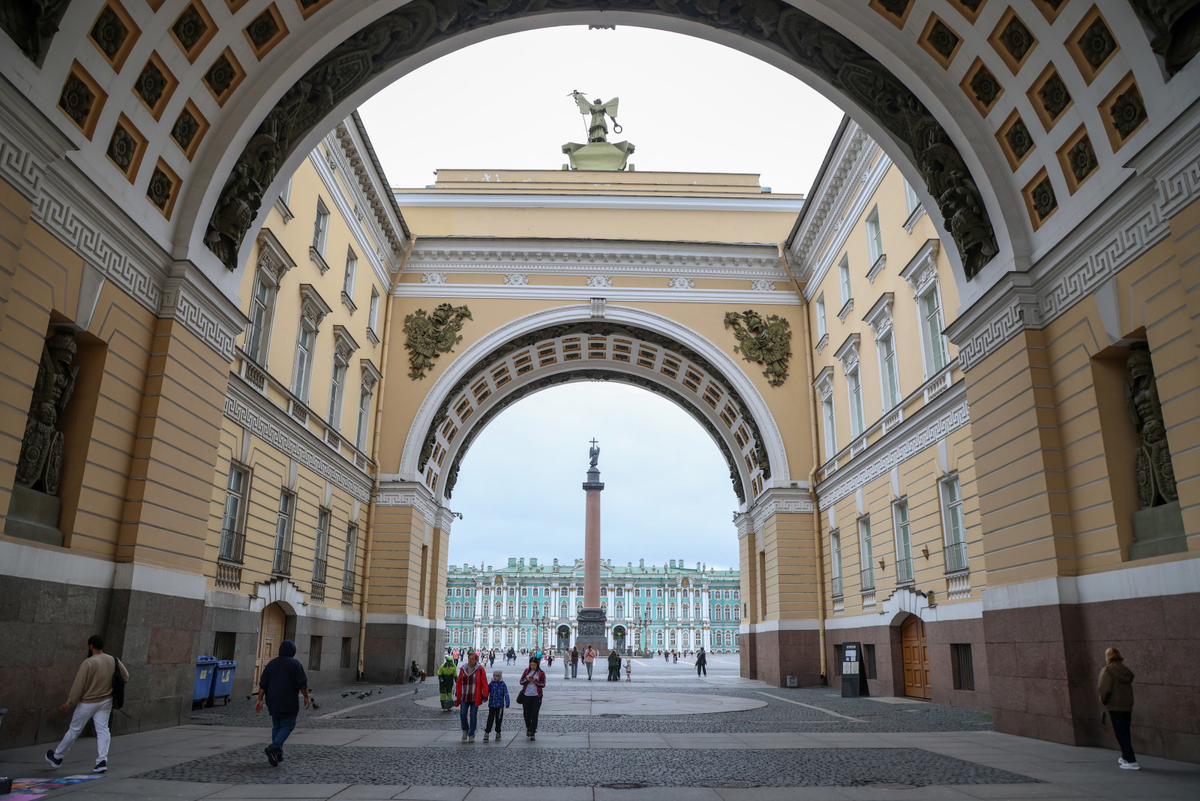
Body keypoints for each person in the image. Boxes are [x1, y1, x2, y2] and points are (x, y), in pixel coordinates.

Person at [45, 634, 129, 774]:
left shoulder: (88, 663)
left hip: (87, 702)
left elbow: (78, 686)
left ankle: (57, 757)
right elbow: (125, 676)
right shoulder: (113, 660)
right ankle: (102, 760)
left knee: (74, 730)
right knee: (103, 730)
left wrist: (69, 702)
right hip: (106, 701)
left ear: (91, 646)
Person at [255, 638, 310, 766]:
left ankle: (278, 754)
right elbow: (302, 684)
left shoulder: (271, 664)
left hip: (272, 700)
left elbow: (263, 683)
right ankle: (274, 747)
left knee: (277, 725)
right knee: (288, 725)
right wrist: (306, 697)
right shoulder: (295, 664)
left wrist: (259, 699)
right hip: (288, 700)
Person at [1099, 647, 1139, 770]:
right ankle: (1125, 756)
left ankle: (1131, 760)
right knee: (1125, 731)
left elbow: (1103, 688)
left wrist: (1104, 701)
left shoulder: (1108, 670)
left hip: (1115, 706)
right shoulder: (1125, 670)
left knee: (1121, 733)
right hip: (1127, 705)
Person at [455, 651, 488, 742]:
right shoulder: (463, 669)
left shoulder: (480, 669)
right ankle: (465, 730)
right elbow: (459, 682)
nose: (471, 660)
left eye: (472, 659)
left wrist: (485, 695)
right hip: (464, 696)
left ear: (476, 660)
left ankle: (472, 733)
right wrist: (457, 692)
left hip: (475, 697)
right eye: (469, 658)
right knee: (462, 714)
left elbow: (484, 683)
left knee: (473, 716)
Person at [518, 656, 546, 739]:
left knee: (534, 714)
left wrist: (535, 681)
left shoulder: (541, 673)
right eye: (531, 665)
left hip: (536, 696)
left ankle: (533, 731)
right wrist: (527, 679)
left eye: (534, 665)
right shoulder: (526, 671)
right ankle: (528, 728)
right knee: (526, 714)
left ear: (537, 664)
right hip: (526, 695)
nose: (532, 667)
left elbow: (543, 684)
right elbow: (521, 681)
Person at [483, 670, 509, 742]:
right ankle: (487, 732)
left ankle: (498, 732)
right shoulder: (491, 684)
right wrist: (484, 697)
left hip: (500, 705)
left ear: (500, 676)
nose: (495, 677)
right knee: (490, 719)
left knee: (498, 719)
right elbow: (487, 691)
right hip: (492, 705)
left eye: (497, 676)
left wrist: (507, 701)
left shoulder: (503, 684)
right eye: (494, 676)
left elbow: (506, 693)